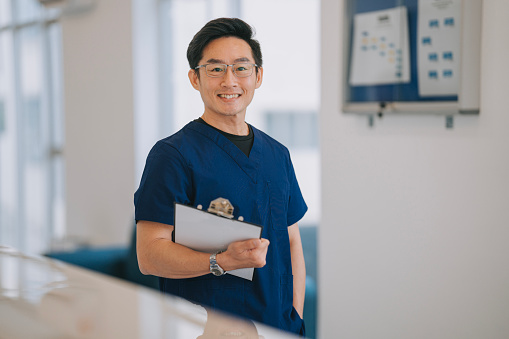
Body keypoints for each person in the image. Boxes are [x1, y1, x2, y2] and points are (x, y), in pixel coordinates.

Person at [134, 17, 307, 336]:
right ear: (194, 78)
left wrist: (294, 315)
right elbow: (149, 255)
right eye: (215, 69)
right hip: (208, 330)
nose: (230, 81)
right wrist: (221, 260)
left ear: (258, 75)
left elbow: (292, 240)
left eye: (241, 67)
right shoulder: (173, 155)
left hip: (279, 326)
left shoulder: (277, 154)